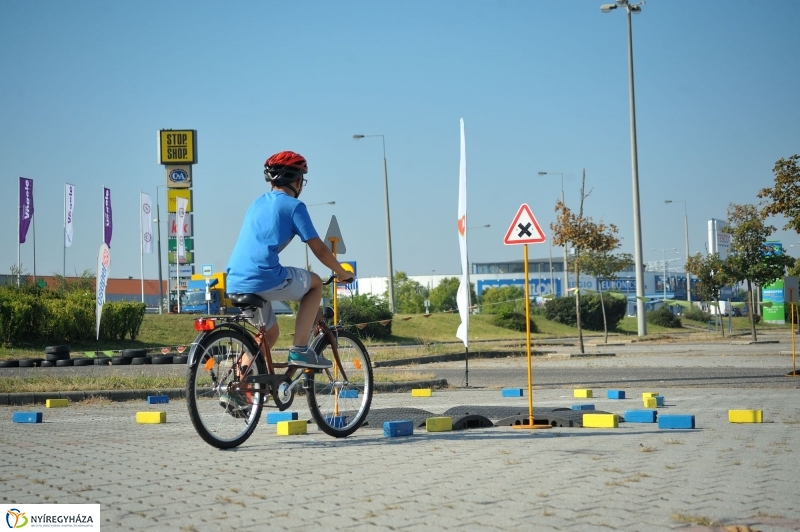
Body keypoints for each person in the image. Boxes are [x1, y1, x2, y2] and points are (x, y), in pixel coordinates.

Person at [226, 150, 354, 371]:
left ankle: (240, 382)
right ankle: (301, 349)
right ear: (298, 181)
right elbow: (321, 251)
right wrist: (342, 273)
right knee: (314, 284)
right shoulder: (294, 206)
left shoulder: (256, 204)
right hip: (263, 277)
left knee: (270, 333)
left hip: (235, 280)